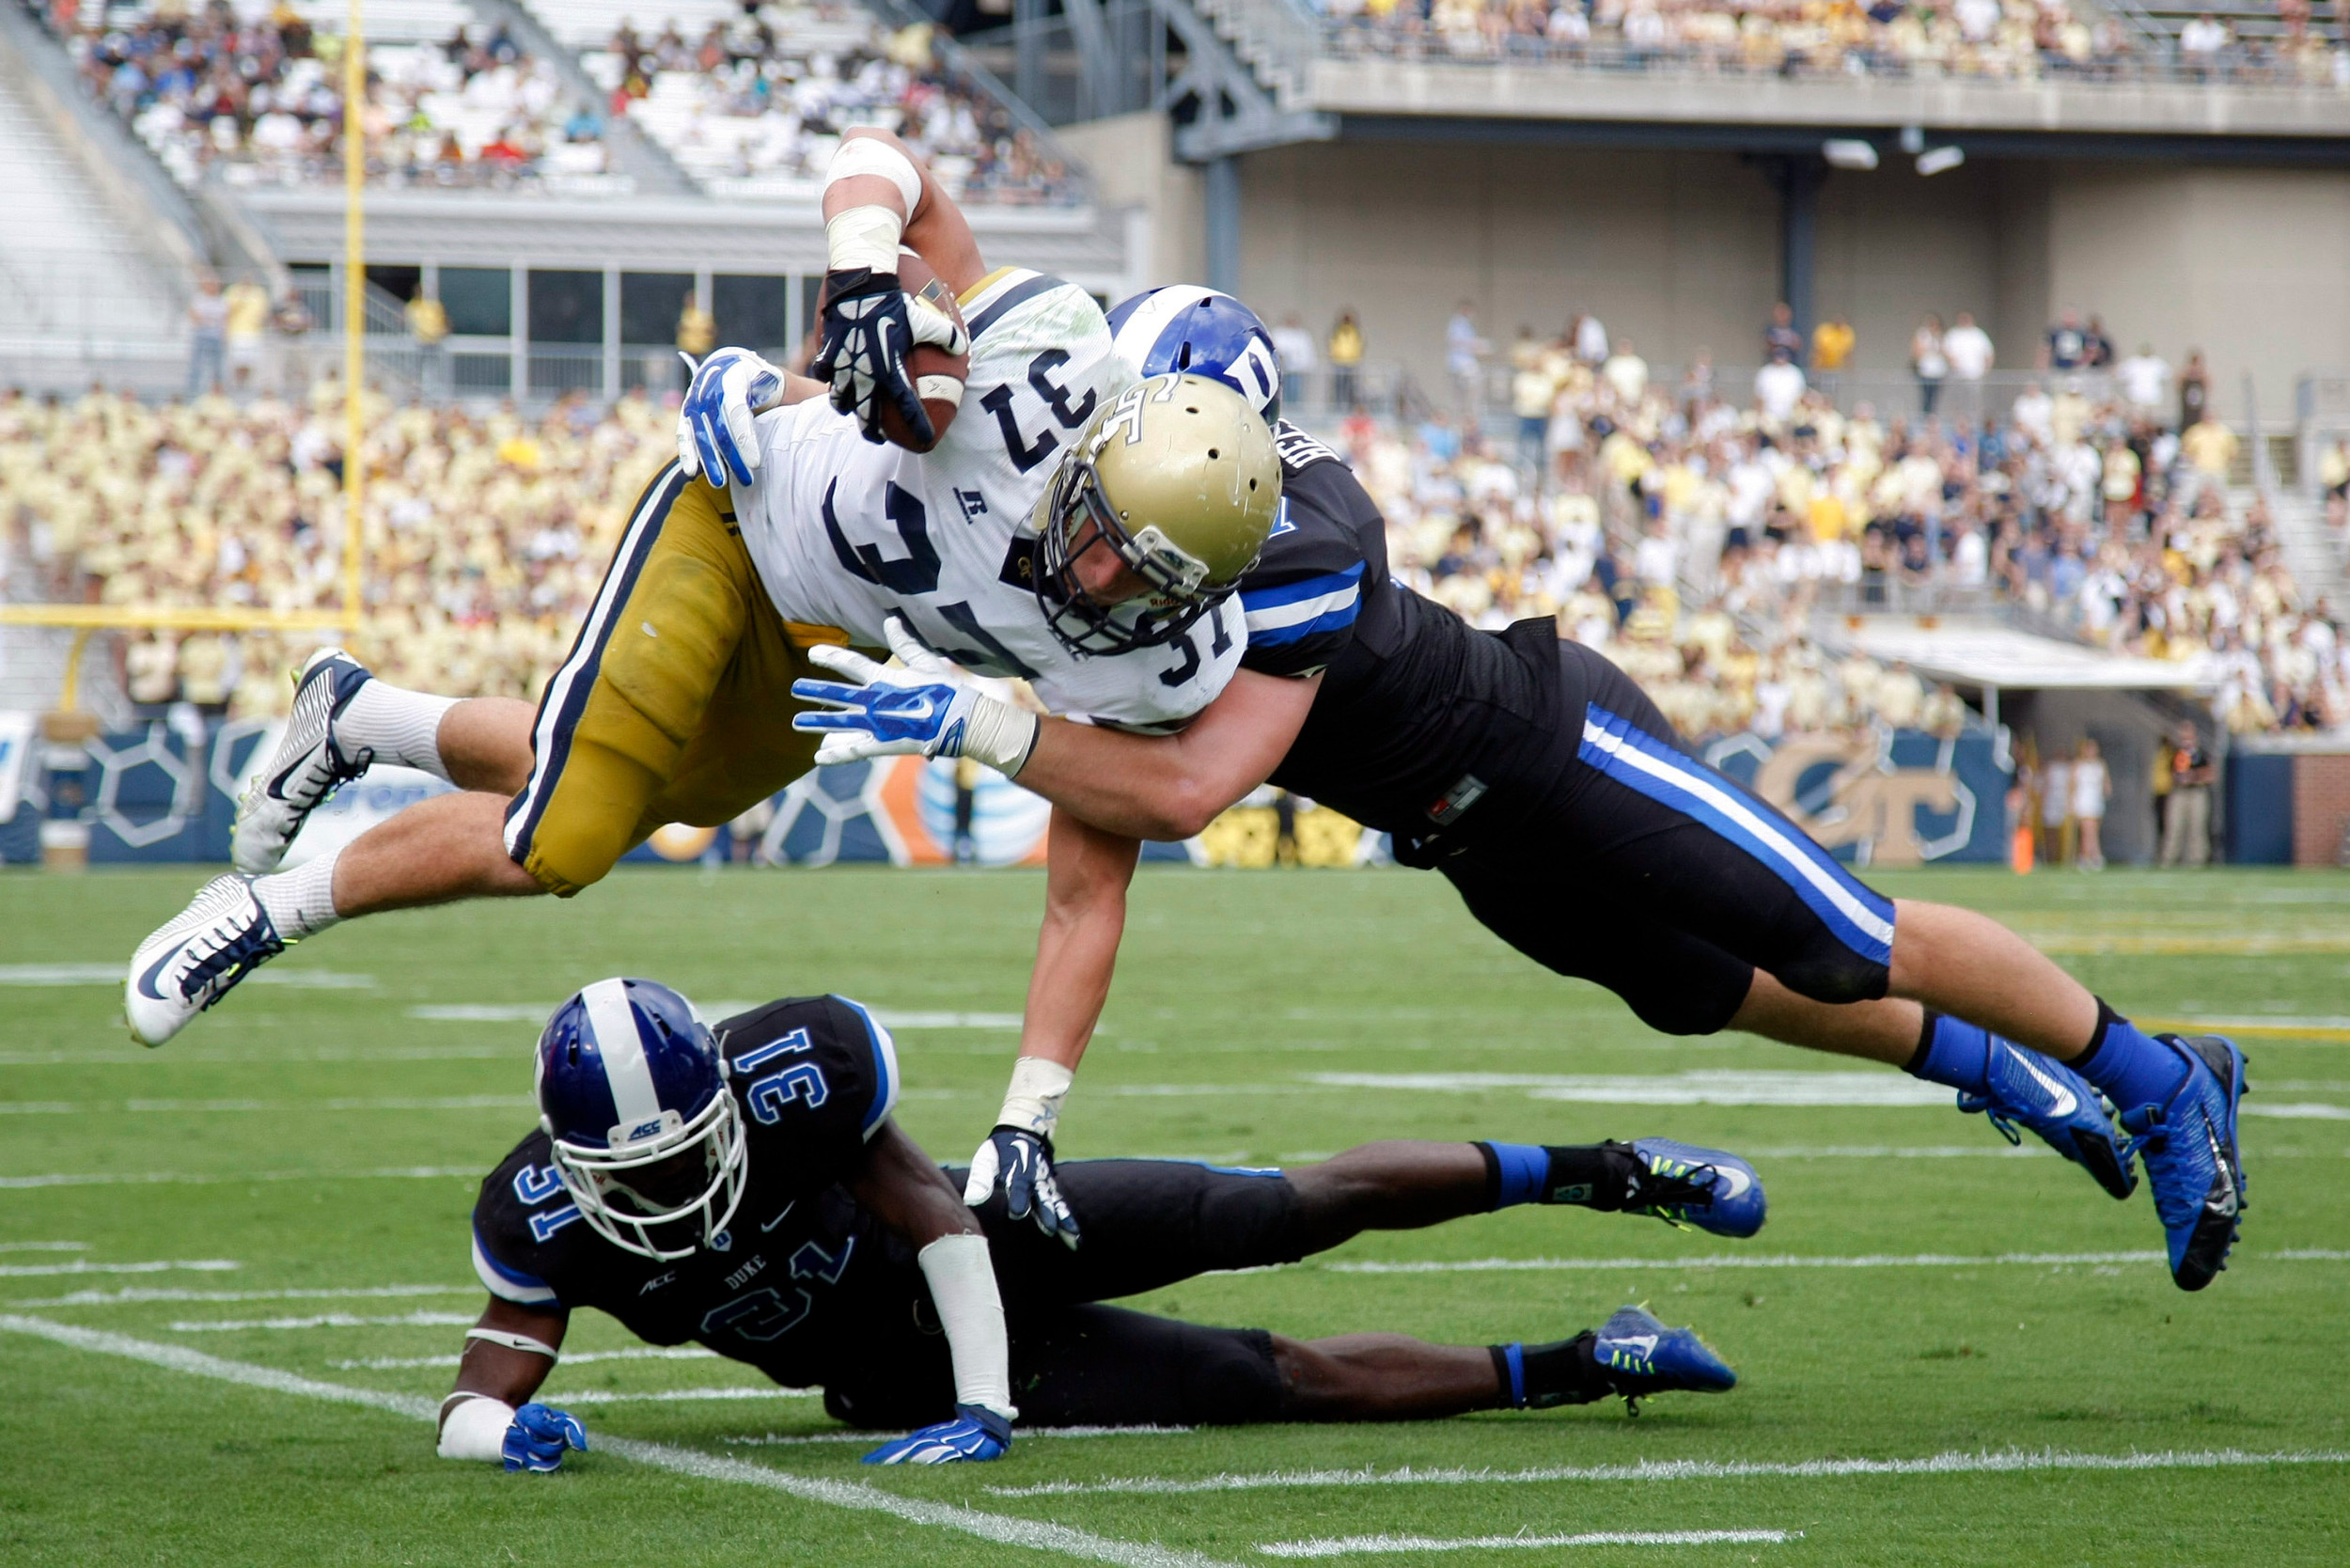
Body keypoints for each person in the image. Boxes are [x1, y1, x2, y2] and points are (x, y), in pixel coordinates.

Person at [790, 296, 2249, 1295]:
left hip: (1553, 746)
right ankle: (2009, 1069)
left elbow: (1183, 794)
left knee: (1837, 934)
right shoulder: (1112, 537)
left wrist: (986, 725)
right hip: (1465, 836)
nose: (1108, 569)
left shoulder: (1294, 547)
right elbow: (1087, 866)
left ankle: (2161, 1079)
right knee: (1704, 992)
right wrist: (1032, 1110)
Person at [125, 131, 1276, 1049]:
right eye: (1107, 535)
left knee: (632, 793)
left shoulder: (1164, 651)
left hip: (830, 638)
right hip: (735, 516)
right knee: (565, 838)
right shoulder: (1047, 360)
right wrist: (861, 277)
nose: (1100, 574)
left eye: (1145, 578)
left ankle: (357, 715)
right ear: (1090, 449)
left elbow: (1158, 800)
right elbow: (882, 162)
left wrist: (984, 727)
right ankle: (261, 912)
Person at [438, 977, 1749, 1471]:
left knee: (1277, 1210)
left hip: (980, 1251)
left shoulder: (798, 1068)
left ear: (725, 1100)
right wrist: (505, 1435)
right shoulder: (543, 1213)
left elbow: (942, 1217)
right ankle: (1588, 1363)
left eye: (684, 1153)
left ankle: (1614, 1170)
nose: (669, 1188)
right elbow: (476, 1388)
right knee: (1261, 1377)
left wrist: (988, 1407)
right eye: (637, 1170)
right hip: (888, 1373)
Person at [2160, 724, 2215, 867]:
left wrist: (2194, 777)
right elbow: (2170, 773)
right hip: (2179, 792)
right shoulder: (2177, 753)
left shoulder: (2201, 753)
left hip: (2196, 792)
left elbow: (2210, 774)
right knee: (2174, 827)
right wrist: (2179, 779)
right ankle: (2170, 859)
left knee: (2197, 828)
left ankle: (2197, 860)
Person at [2072, 737, 2110, 870]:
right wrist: (2070, 802)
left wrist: (2106, 791)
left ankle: (2085, 856)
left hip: (2095, 799)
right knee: (2087, 829)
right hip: (2083, 799)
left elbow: (2106, 783)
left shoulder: (2101, 764)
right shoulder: (2078, 764)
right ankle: (2094, 856)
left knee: (2093, 829)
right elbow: (2072, 784)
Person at [186, 274, 227, 396]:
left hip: (216, 334)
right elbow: (195, 317)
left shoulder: (221, 300)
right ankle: (193, 391)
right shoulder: (199, 299)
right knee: (197, 364)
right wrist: (210, 320)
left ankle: (217, 392)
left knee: (217, 366)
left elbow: (224, 319)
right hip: (202, 333)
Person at [1446, 300, 1487, 417]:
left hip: (1463, 363)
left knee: (1466, 397)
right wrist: (1476, 345)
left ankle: (1470, 416)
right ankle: (1468, 417)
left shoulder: (1466, 325)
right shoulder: (1458, 324)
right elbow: (1457, 342)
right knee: (1465, 396)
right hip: (1461, 364)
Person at [1910, 314, 1948, 416]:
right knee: (1925, 396)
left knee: (1935, 397)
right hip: (1925, 371)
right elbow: (1916, 352)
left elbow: (1945, 352)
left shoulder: (1940, 336)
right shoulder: (1922, 335)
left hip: (1938, 372)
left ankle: (1932, 416)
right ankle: (1924, 416)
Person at [1327, 308, 1364, 411]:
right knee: (1339, 386)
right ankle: (1338, 406)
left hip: (1351, 363)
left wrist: (1356, 358)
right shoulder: (1337, 331)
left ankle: (1348, 407)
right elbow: (1333, 344)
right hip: (1339, 362)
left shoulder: (1355, 331)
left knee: (1350, 387)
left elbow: (1358, 345)